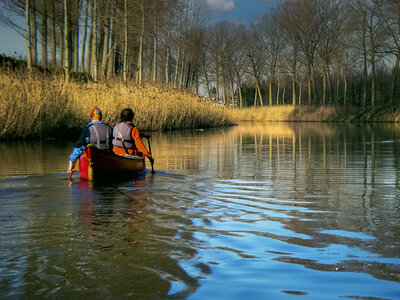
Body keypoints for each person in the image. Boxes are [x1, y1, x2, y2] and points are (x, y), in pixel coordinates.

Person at [68, 107, 113, 179]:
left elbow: (79, 147)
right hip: (106, 158)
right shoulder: (109, 128)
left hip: (91, 157)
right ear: (101, 117)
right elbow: (112, 147)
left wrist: (72, 162)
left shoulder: (87, 129)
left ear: (91, 117)